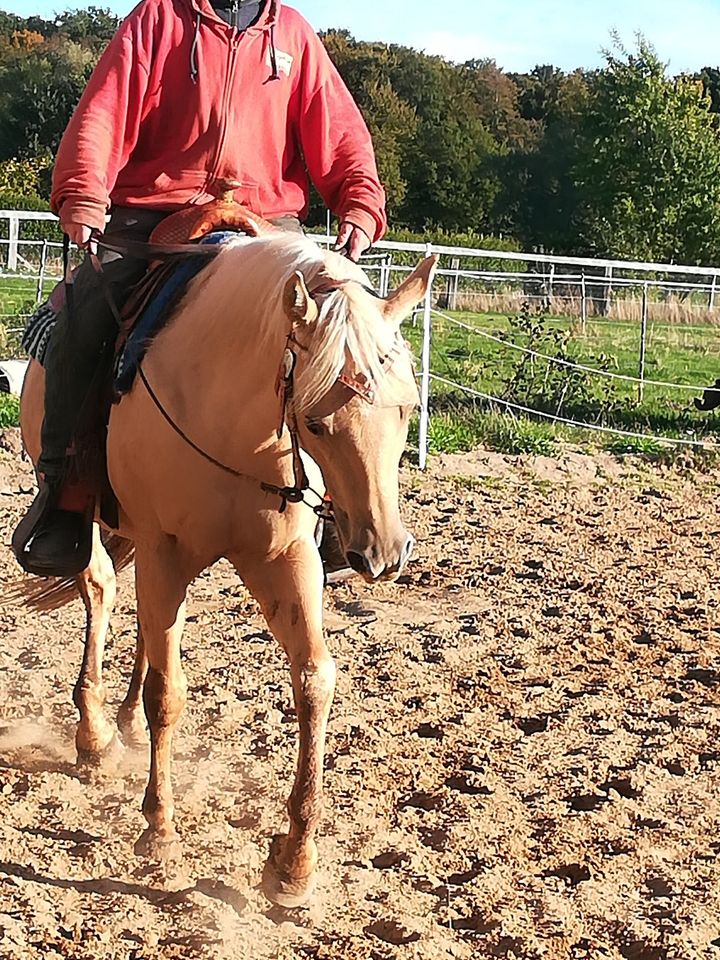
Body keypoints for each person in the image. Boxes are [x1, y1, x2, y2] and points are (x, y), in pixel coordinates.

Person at [14, 0, 387, 577]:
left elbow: (340, 133)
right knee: (87, 315)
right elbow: (104, 111)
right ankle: (67, 494)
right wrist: (85, 194)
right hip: (153, 212)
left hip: (266, 219)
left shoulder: (292, 33)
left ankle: (342, 511)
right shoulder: (157, 18)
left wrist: (360, 205)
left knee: (347, 342)